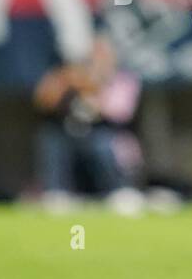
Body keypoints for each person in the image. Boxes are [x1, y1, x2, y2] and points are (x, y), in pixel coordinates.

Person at [33, 37, 144, 212]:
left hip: (110, 134)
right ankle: (57, 192)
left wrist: (90, 85)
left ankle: (120, 191)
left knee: (103, 145)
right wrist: (63, 82)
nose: (97, 60)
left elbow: (118, 113)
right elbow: (44, 102)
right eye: (94, 56)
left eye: (102, 56)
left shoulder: (123, 79)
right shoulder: (69, 76)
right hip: (73, 134)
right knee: (52, 140)